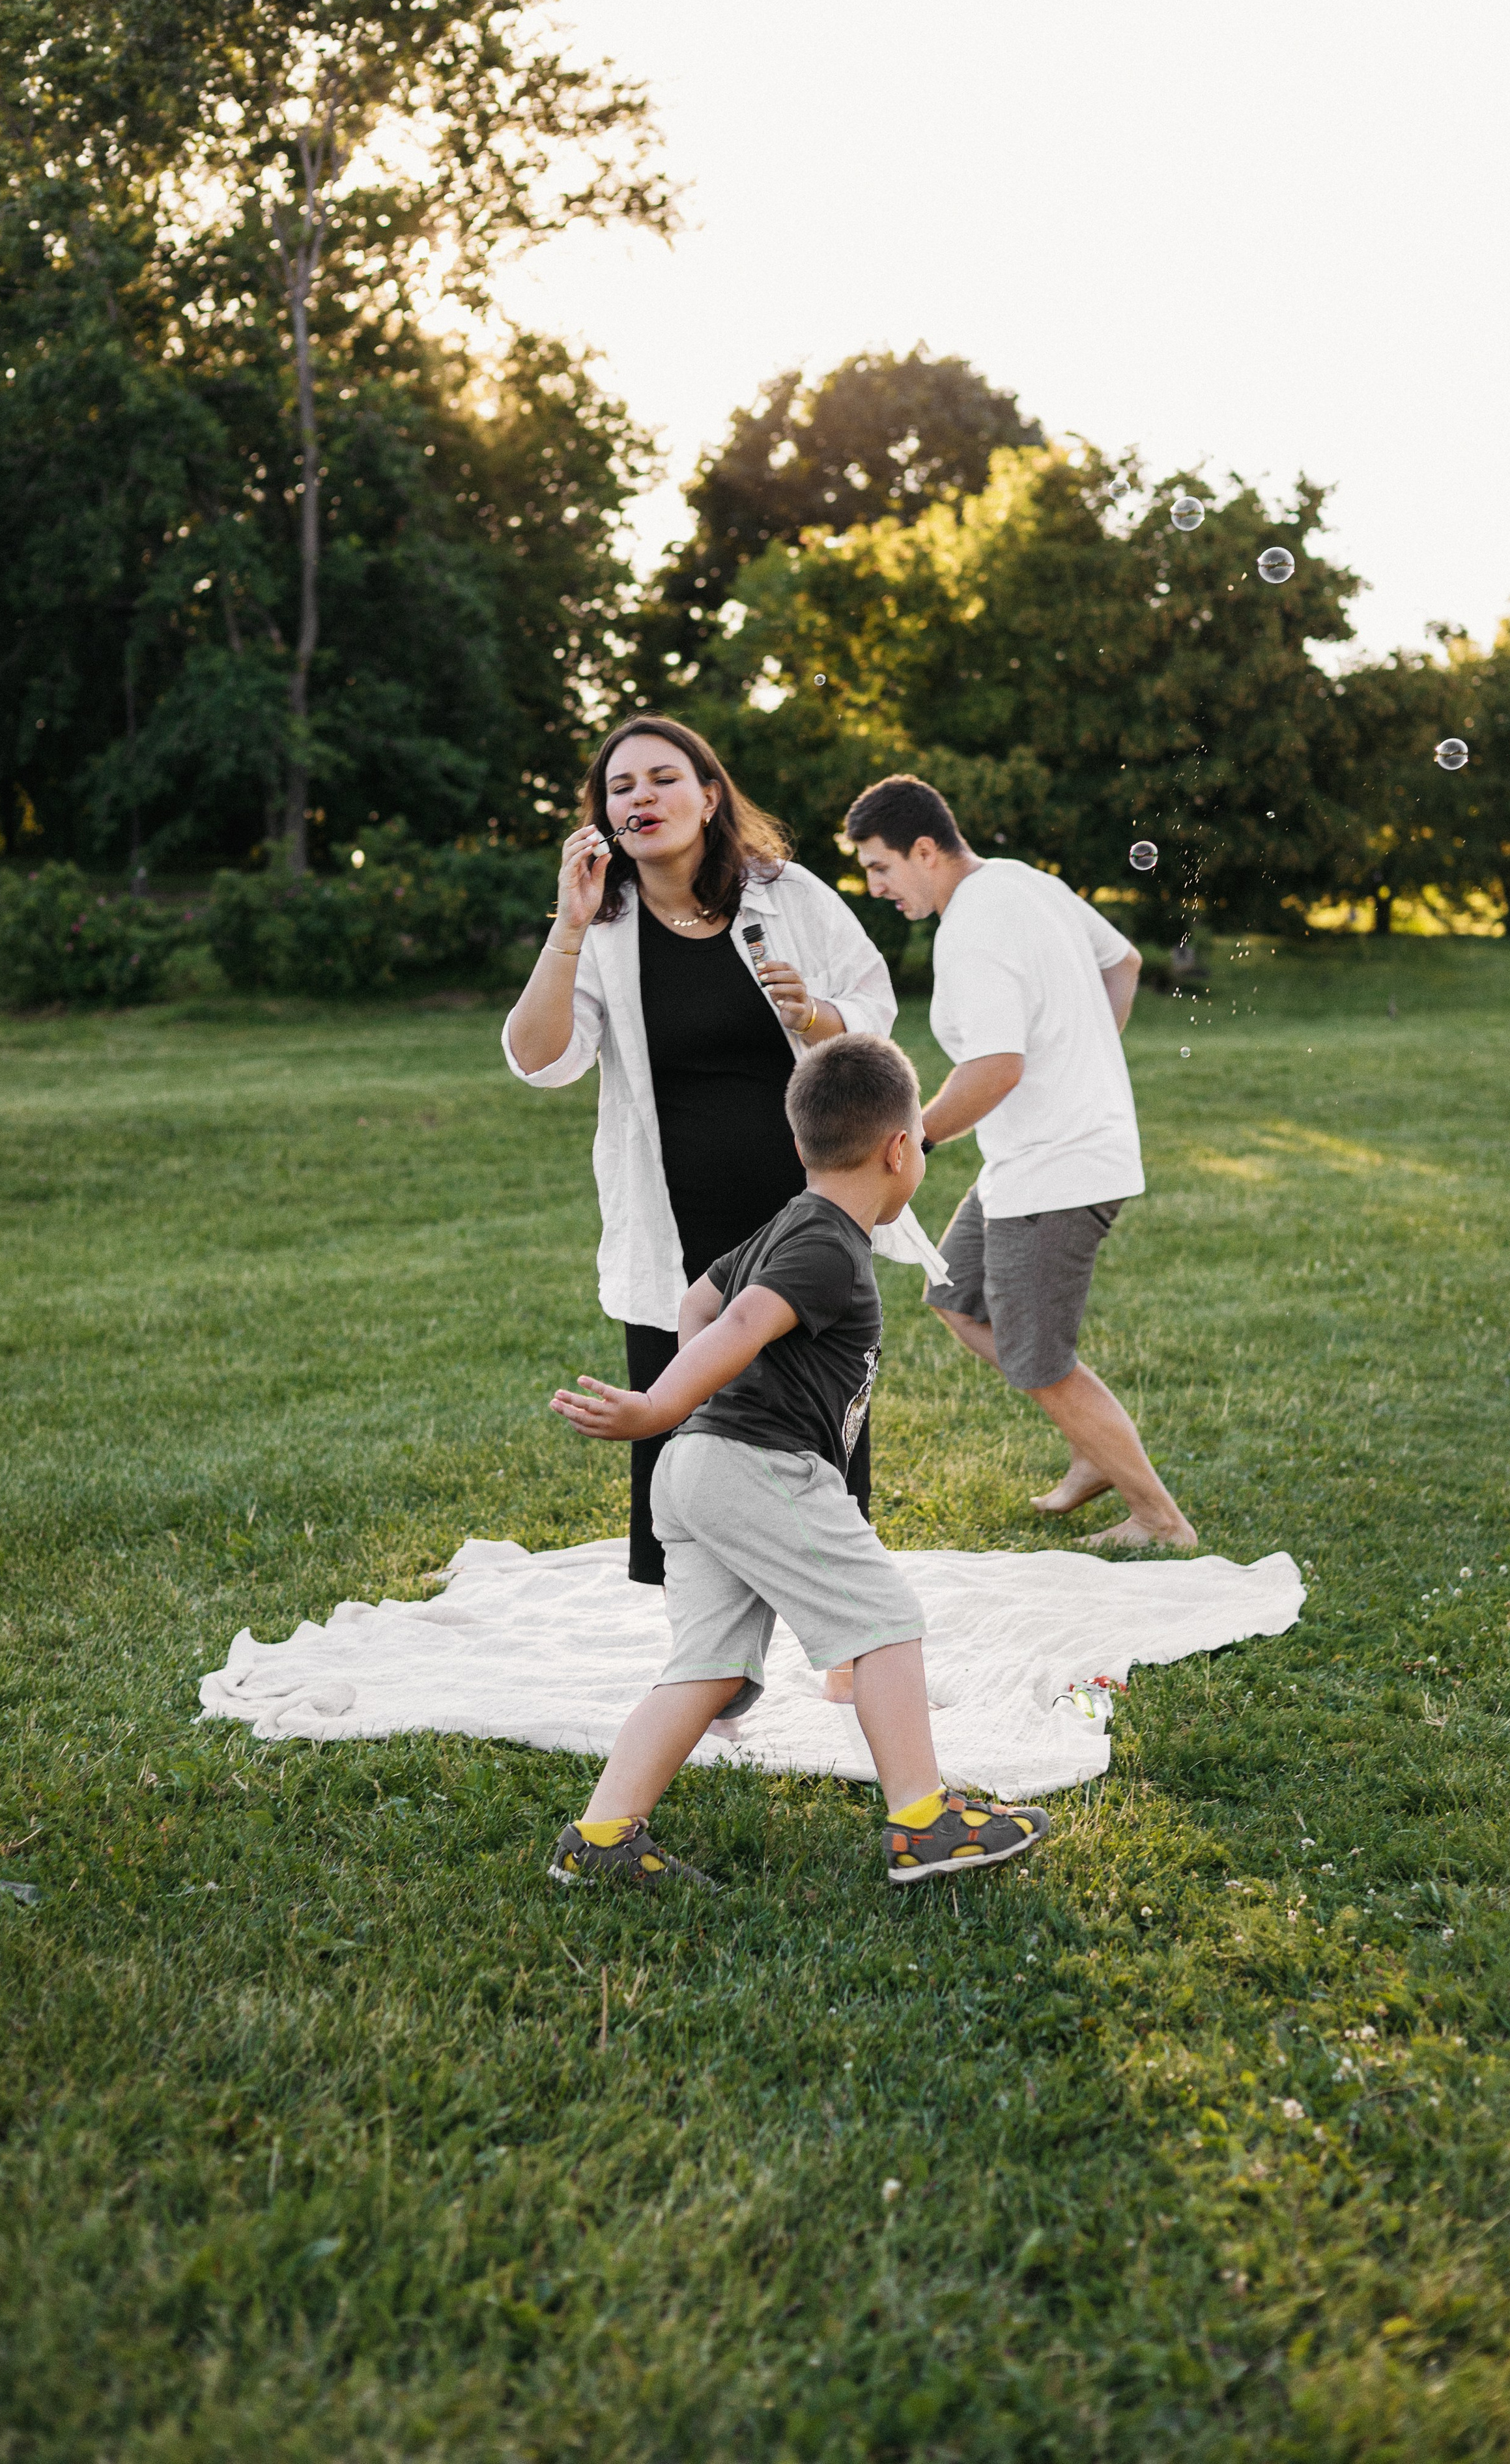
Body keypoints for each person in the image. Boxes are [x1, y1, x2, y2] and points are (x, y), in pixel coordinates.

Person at [545, 1031, 1051, 1889]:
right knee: (885, 1619)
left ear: (800, 1145)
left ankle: (599, 1838)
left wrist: (698, 1414)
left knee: (707, 1668)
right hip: (758, 1467)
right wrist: (665, 1402)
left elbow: (700, 1301)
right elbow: (737, 1325)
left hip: (701, 1467)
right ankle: (923, 1820)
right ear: (901, 1150)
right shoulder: (826, 1246)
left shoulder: (788, 1224)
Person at [503, 716, 898, 1586]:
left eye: (663, 777)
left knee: (818, 1409)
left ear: (710, 794)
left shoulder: (787, 894)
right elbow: (540, 1060)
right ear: (604, 817)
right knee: (683, 1431)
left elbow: (875, 1004)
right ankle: (703, 1641)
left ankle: (843, 1626)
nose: (642, 796)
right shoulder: (602, 928)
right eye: (621, 787)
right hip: (674, 1215)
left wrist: (820, 1018)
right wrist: (567, 929)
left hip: (800, 1210)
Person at [844, 775, 1195, 1552]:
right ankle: (1092, 1450)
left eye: (879, 867)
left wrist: (913, 1142)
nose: (875, 887)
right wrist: (1086, 1055)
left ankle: (1159, 1520)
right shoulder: (1022, 880)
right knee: (954, 1293)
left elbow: (994, 1069)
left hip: (1058, 1169)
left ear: (926, 850)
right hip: (1035, 1158)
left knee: (1039, 1361)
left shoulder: (972, 928)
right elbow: (1125, 961)